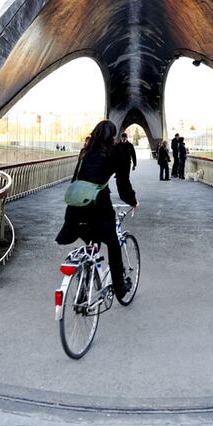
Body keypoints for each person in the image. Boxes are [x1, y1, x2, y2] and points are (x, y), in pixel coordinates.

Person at [56, 120, 138, 299]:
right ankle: (120, 288)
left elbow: (76, 179)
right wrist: (132, 200)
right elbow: (122, 184)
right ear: (113, 136)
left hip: (75, 209)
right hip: (98, 207)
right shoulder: (115, 152)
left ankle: (84, 291)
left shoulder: (85, 151)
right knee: (113, 244)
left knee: (92, 242)